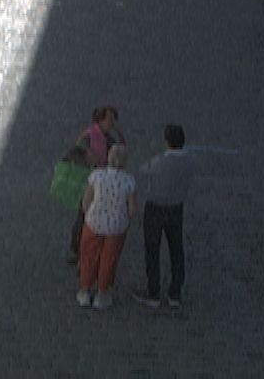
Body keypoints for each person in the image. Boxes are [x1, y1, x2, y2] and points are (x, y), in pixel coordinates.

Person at [136, 125, 197, 311]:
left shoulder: (161, 161)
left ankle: (153, 292)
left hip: (156, 207)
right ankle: (175, 293)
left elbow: (143, 169)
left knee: (153, 249)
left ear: (167, 141)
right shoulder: (189, 161)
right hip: (176, 207)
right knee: (176, 248)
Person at [75, 144, 138, 311]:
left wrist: (88, 213)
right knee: (108, 260)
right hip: (116, 226)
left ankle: (85, 291)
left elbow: (86, 200)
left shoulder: (96, 176)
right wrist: (127, 218)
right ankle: (102, 294)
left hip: (94, 222)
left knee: (88, 256)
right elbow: (132, 208)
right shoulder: (129, 181)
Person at [67, 105, 121, 261]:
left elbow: (119, 154)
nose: (112, 123)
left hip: (102, 183)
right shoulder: (90, 136)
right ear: (100, 119)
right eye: (109, 119)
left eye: (113, 120)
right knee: (84, 215)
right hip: (88, 183)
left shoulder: (109, 139)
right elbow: (79, 150)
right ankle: (78, 250)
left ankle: (88, 249)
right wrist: (91, 157)